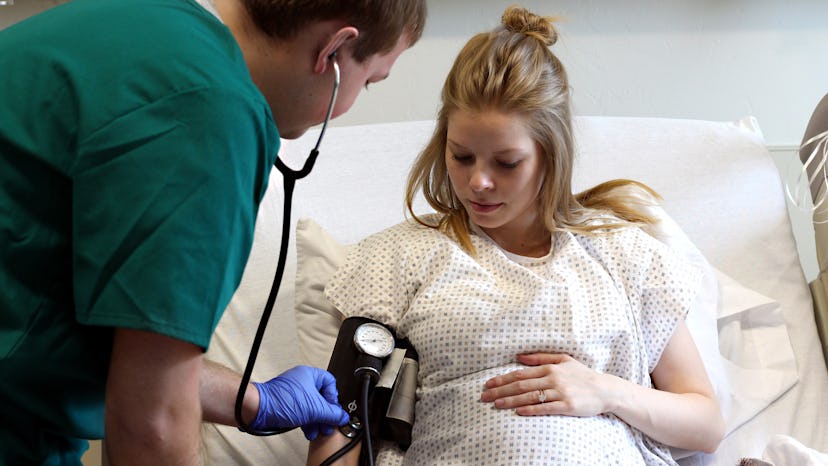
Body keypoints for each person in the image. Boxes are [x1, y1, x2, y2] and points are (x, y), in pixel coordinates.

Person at [0, 0, 426, 464]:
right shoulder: (211, 112)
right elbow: (152, 424)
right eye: (368, 83)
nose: (352, 102)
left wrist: (256, 402)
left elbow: (132, 357)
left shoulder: (143, 20)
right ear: (335, 49)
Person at [307, 5, 724, 465]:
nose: (478, 182)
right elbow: (342, 419)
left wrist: (605, 391)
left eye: (506, 163)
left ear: (551, 155)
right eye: (462, 156)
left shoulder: (623, 256)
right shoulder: (402, 255)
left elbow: (705, 424)